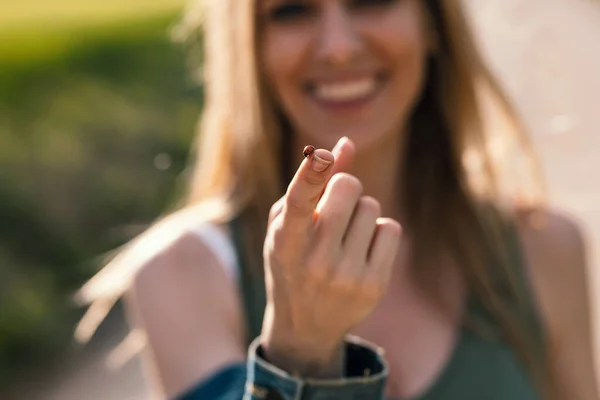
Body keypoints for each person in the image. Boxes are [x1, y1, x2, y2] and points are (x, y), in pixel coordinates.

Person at [76, 0, 599, 399]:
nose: (338, 47)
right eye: (292, 11)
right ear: (250, 47)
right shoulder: (181, 273)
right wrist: (299, 351)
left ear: (432, 23)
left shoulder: (543, 250)